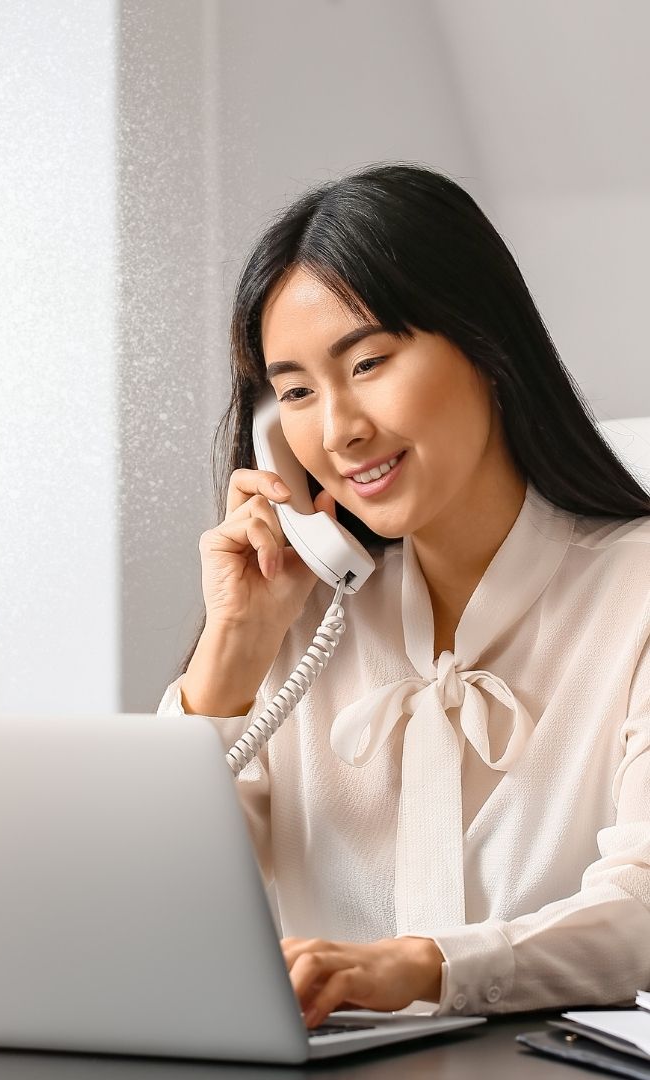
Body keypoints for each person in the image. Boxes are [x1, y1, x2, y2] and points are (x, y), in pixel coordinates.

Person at [158, 162, 650, 1029]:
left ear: (486, 347)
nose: (339, 429)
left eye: (371, 362)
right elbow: (151, 907)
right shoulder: (301, 615)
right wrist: (230, 656)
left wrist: (419, 966)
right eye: (298, 392)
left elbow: (642, 910)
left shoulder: (635, 592)